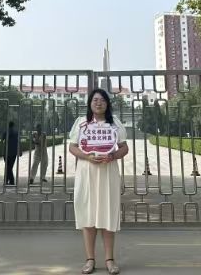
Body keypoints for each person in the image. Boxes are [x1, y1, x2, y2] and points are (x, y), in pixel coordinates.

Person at [68, 89, 128, 275]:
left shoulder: (114, 123)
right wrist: (86, 156)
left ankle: (109, 259)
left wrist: (113, 156)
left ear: (107, 103)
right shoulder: (81, 123)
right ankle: (90, 259)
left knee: (107, 212)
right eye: (95, 100)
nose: (98, 103)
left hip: (108, 172)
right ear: (90, 103)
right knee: (88, 213)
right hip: (87, 172)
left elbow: (124, 148)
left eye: (102, 100)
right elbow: (72, 147)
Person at [1, 120, 20, 186]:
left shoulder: (6, 131)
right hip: (14, 152)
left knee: (8, 167)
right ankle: (10, 181)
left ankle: (8, 181)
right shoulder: (16, 132)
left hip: (6, 152)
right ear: (13, 125)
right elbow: (18, 142)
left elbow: (2, 140)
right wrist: (20, 150)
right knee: (9, 167)